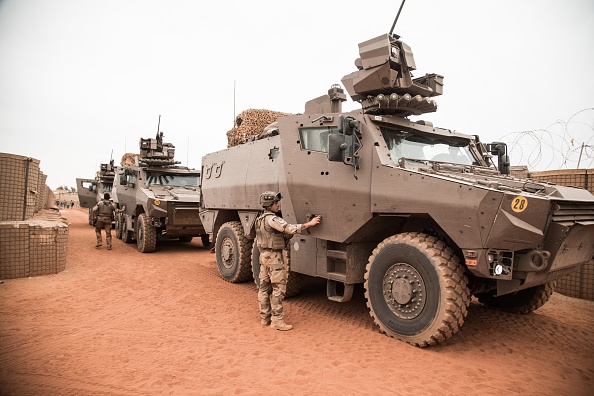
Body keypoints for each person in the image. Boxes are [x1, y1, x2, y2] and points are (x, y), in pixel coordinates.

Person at [255, 191, 321, 331]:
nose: (278, 205)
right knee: (278, 289)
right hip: (274, 258)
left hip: (264, 256)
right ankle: (277, 321)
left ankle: (264, 318)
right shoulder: (273, 219)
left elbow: (276, 236)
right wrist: (310, 223)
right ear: (269, 205)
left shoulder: (259, 219)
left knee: (264, 288)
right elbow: (289, 229)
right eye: (275, 203)